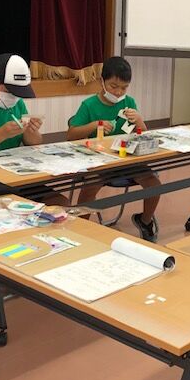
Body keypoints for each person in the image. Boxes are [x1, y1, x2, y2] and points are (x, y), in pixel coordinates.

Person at [67, 56, 161, 242]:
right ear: (102, 81)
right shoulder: (89, 105)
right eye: (113, 86)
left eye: (124, 88)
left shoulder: (129, 102)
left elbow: (143, 135)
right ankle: (80, 229)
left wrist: (140, 121)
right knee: (89, 187)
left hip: (126, 159)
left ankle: (145, 221)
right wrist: (95, 125)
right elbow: (71, 135)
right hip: (99, 160)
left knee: (154, 184)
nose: (118, 92)